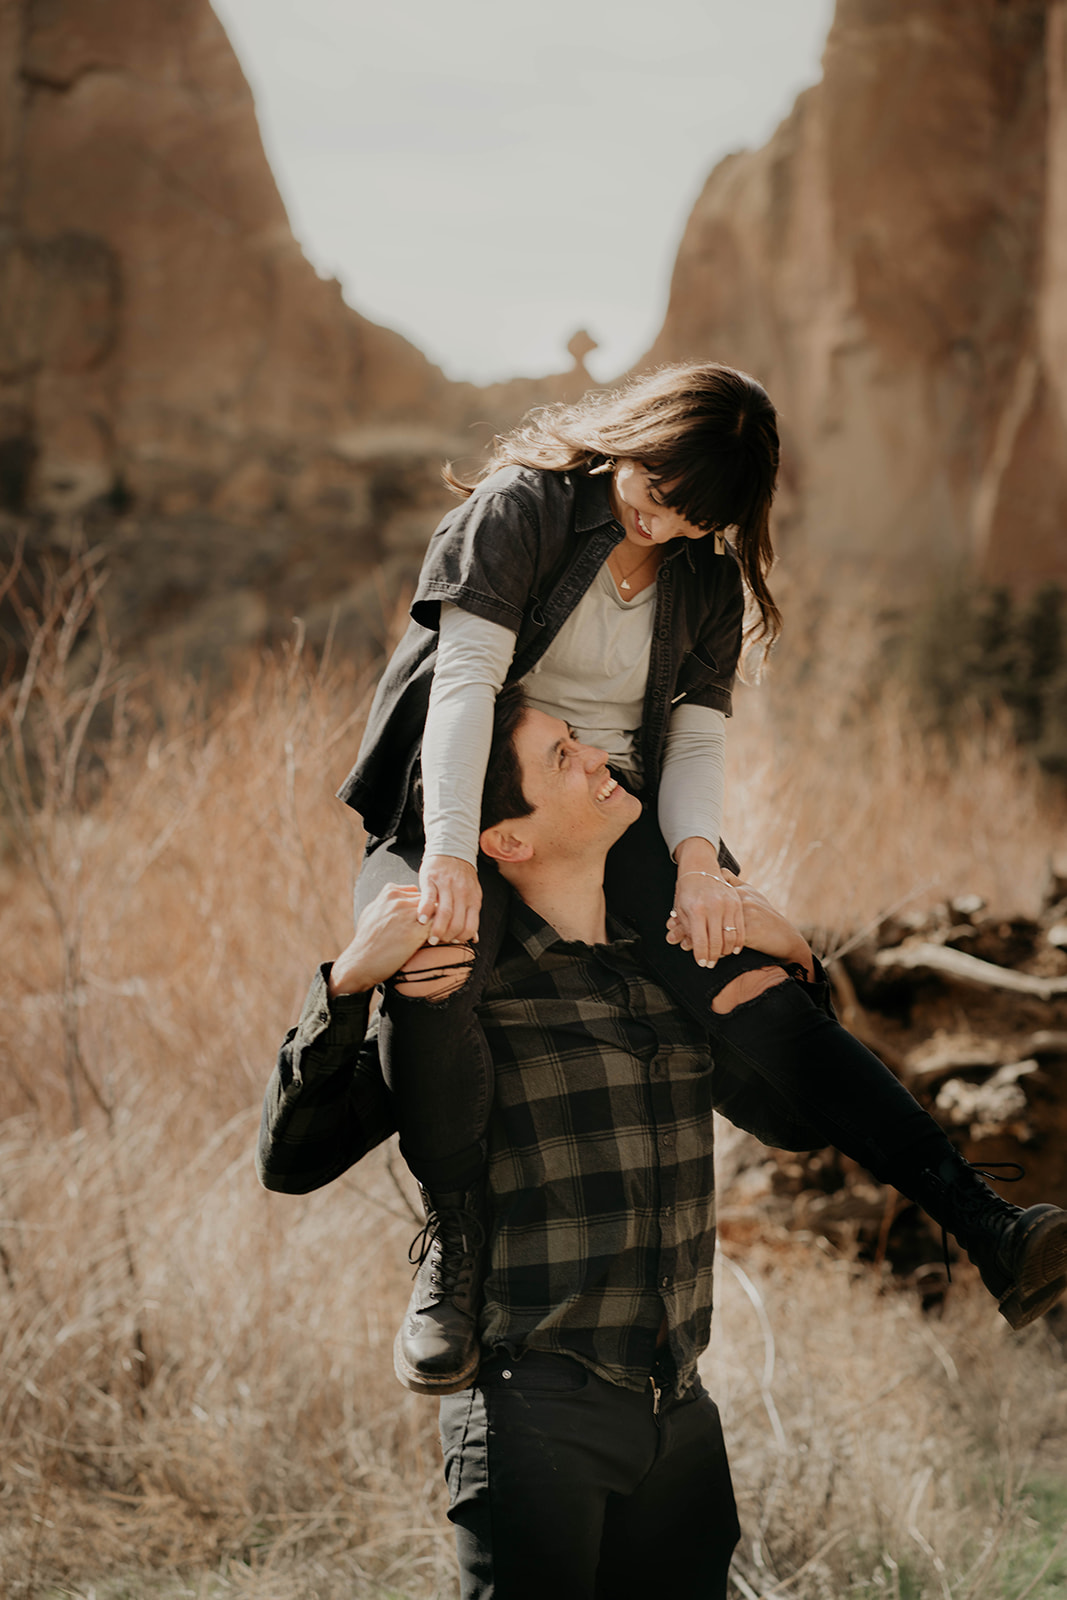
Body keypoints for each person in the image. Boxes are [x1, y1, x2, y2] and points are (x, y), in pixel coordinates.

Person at [335, 365, 1067, 1394]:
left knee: (742, 976)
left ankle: (987, 1225)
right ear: (638, 432)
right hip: (446, 798)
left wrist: (696, 868)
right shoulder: (525, 511)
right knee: (435, 967)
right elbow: (460, 688)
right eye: (657, 481)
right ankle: (455, 1252)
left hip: (599, 803)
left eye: (691, 511)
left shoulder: (702, 581)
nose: (660, 513)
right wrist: (451, 852)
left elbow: (694, 743)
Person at [259, 690, 1067, 1600]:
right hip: (535, 1418)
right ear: (505, 840)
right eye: (562, 757)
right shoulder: (458, 1001)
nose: (599, 757)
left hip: (679, 1418)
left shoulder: (665, 973)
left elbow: (797, 1126)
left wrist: (800, 965)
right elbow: (290, 1162)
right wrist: (343, 987)